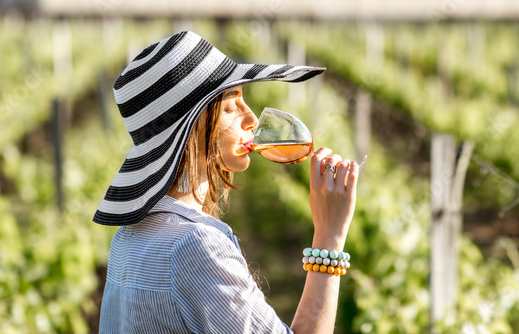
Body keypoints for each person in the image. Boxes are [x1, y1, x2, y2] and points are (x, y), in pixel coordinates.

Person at [94, 30, 360, 333]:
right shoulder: (195, 248)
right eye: (231, 107)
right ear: (191, 128)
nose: (253, 120)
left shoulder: (129, 237)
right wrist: (329, 237)